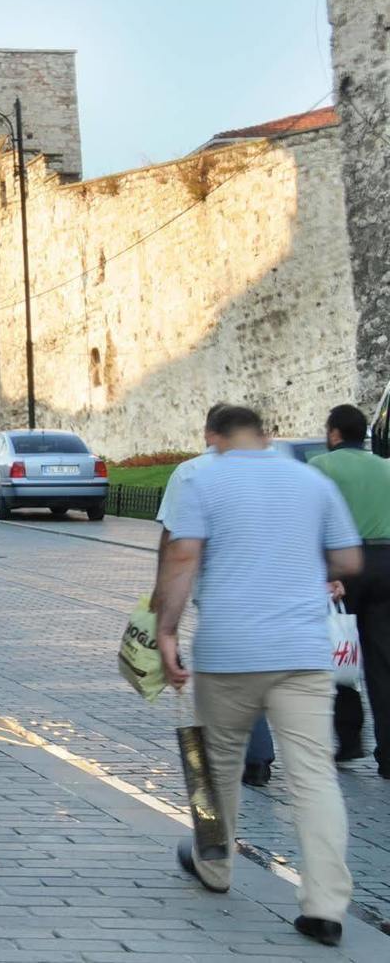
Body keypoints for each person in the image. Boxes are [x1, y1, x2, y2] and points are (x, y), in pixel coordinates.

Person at [158, 405, 361, 948]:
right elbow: (348, 558)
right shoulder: (310, 478)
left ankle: (213, 863)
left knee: (214, 762)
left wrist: (167, 632)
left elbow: (181, 558)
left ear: (213, 436)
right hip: (302, 651)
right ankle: (324, 907)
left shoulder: (201, 478)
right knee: (313, 775)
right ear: (266, 435)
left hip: (230, 649)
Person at [155, 404, 277, 787]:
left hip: (219, 591)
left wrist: (163, 597)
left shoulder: (190, 472)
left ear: (209, 431)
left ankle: (249, 755)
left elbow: (174, 541)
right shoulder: (276, 471)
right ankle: (258, 752)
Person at [310, 403, 390, 774]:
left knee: (343, 651)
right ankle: (388, 752)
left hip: (345, 566)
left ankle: (349, 738)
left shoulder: (320, 468)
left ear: (334, 434)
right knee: (382, 661)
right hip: (386, 564)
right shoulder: (387, 468)